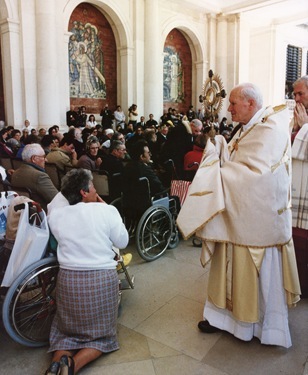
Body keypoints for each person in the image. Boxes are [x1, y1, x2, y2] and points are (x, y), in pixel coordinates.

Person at [177, 82, 301, 348]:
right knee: (227, 266)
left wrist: (215, 173)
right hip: (238, 213)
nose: (229, 108)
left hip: (257, 220)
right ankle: (222, 319)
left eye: (233, 103)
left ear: (251, 104)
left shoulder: (270, 128)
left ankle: (257, 327)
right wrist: (220, 145)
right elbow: (236, 157)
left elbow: (257, 175)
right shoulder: (249, 126)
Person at [45, 168, 129, 375]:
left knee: (65, 335)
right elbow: (122, 241)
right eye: (92, 186)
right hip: (100, 281)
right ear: (84, 192)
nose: (95, 190)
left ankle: (56, 365)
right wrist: (106, 207)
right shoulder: (106, 211)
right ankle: (73, 366)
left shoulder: (56, 215)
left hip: (68, 283)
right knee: (101, 337)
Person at [10, 143, 58, 210]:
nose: (46, 160)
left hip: (23, 213)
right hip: (43, 214)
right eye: (43, 156)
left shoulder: (15, 173)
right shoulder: (40, 176)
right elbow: (57, 200)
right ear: (34, 158)